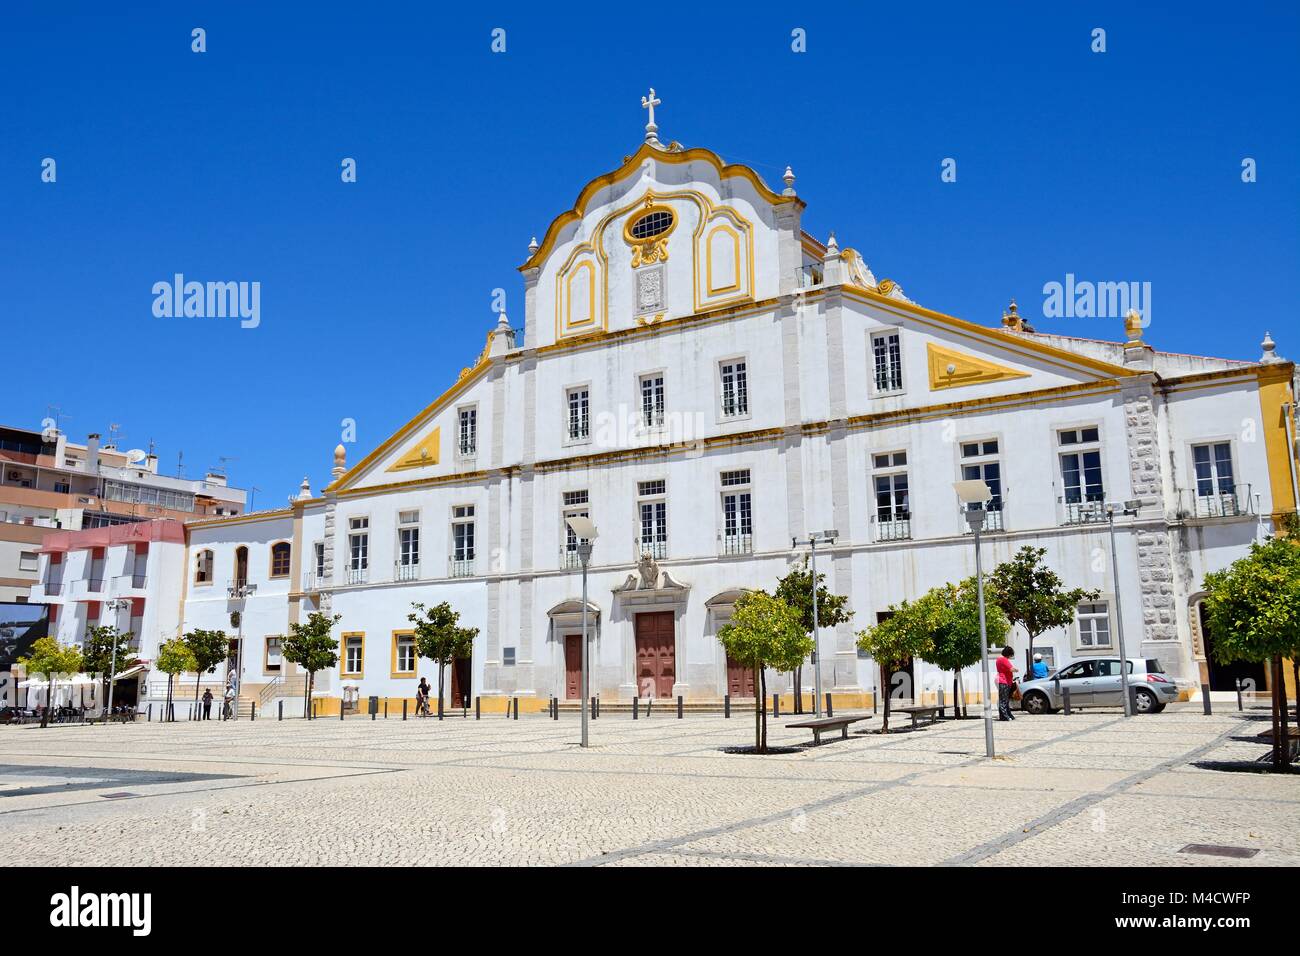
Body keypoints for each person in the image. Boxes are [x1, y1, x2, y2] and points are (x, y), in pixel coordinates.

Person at [996, 646, 1019, 720]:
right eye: (1010, 655)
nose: (1010, 657)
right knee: (1004, 700)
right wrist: (1016, 670)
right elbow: (1012, 669)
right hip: (1004, 681)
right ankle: (1004, 716)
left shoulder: (999, 659)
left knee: (1004, 699)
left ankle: (1007, 715)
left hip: (1005, 681)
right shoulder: (1003, 659)